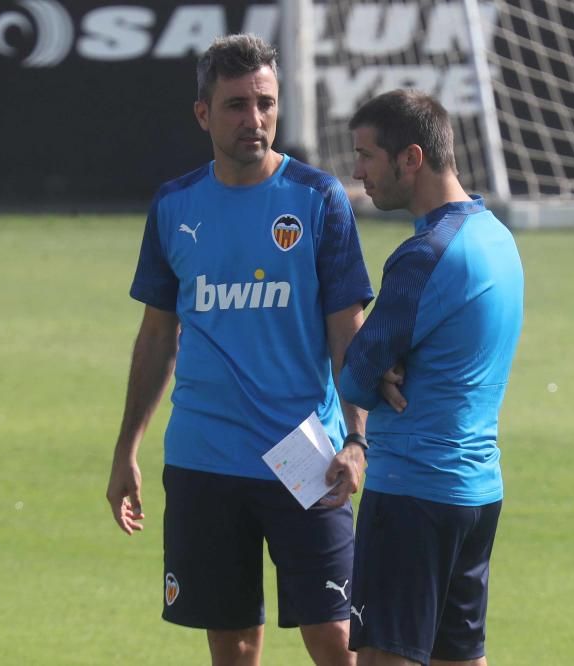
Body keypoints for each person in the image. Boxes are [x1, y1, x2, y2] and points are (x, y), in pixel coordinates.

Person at [105, 33, 374, 666]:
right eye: (235, 105)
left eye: (265, 103)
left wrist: (359, 440)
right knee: (232, 646)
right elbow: (155, 336)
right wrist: (127, 450)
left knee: (337, 638)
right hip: (206, 459)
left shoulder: (318, 200)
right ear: (203, 113)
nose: (254, 119)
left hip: (308, 456)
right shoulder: (175, 206)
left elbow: (349, 333)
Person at [338, 90, 525, 666]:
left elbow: (355, 376)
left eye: (368, 155)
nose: (358, 171)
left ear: (411, 158)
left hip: (412, 495)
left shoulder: (425, 255)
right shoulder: (497, 237)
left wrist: (381, 368)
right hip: (476, 494)